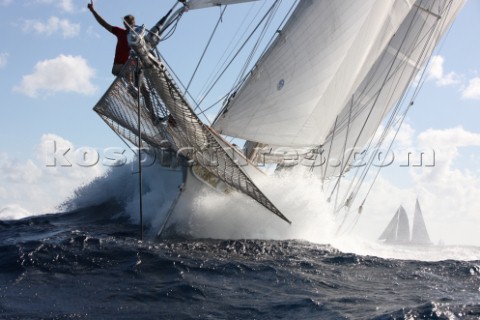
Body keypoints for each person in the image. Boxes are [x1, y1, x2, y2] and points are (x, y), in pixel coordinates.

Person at [87, 2, 134, 76]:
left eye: (129, 23)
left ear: (133, 24)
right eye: (125, 23)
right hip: (119, 66)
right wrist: (93, 11)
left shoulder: (137, 38)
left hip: (131, 66)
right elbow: (104, 24)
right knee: (130, 71)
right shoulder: (120, 32)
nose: (127, 25)